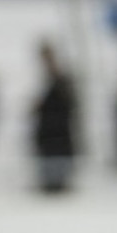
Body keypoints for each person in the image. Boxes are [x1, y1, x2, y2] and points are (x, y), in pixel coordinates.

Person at [32, 39, 78, 193]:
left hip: (59, 137)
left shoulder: (62, 81)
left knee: (60, 184)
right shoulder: (45, 82)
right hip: (47, 137)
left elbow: (69, 105)